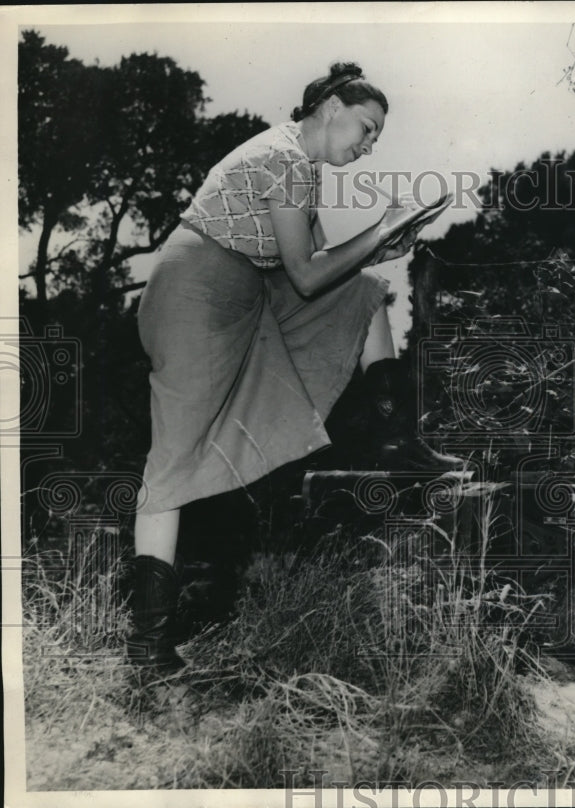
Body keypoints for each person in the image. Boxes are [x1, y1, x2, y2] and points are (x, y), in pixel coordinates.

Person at [127, 62, 462, 673]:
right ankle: (147, 646)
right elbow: (307, 274)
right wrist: (378, 227)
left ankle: (396, 440)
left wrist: (380, 248)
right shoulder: (284, 158)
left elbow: (313, 275)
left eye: (377, 138)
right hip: (194, 294)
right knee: (173, 462)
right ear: (330, 107)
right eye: (366, 127)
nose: (368, 145)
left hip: (247, 297)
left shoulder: (301, 168)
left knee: (365, 291)